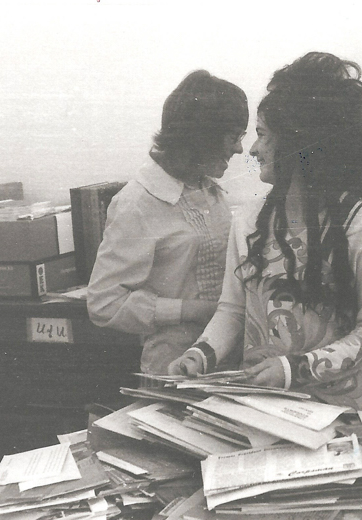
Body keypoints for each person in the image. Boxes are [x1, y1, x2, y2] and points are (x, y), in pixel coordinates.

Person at [169, 52, 362, 410]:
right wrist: (201, 354)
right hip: (259, 409)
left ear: (298, 146)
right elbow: (232, 311)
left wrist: (293, 370)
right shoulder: (247, 220)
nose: (254, 150)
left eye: (262, 135)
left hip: (336, 413)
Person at [87, 70, 248, 379]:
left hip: (228, 356)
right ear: (204, 135)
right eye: (234, 136)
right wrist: (193, 310)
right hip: (174, 367)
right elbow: (103, 302)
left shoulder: (209, 192)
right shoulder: (137, 202)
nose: (239, 148)